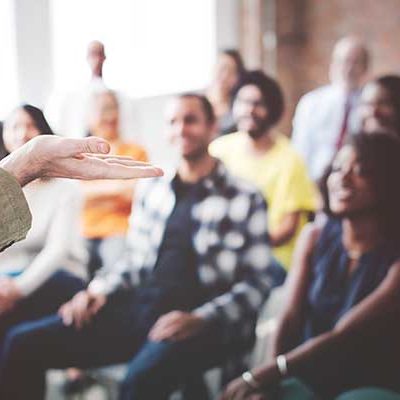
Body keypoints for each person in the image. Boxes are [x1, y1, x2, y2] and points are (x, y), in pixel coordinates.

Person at [0, 93, 285, 400]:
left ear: (212, 125)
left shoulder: (244, 196)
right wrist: (98, 289)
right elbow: (135, 259)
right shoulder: (155, 188)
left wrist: (201, 318)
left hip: (204, 323)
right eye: (173, 122)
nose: (181, 129)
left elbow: (258, 281)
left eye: (191, 120)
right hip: (140, 309)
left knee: (137, 384)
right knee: (22, 344)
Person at [220, 133, 400, 399]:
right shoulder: (314, 237)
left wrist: (270, 372)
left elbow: (343, 334)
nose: (344, 179)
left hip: (369, 381)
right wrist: (270, 381)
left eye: (361, 171)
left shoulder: (394, 258)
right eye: (338, 168)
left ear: (388, 182)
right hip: (307, 372)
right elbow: (290, 316)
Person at [210, 70, 317, 270]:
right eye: (242, 102)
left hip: (272, 258)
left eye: (257, 104)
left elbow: (287, 229)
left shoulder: (290, 159)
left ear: (272, 109)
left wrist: (242, 248)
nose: (248, 110)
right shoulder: (218, 150)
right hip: (224, 251)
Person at [0, 104, 88, 344]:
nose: (23, 133)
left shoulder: (65, 186)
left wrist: (17, 289)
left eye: (31, 125)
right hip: (6, 282)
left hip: (60, 276)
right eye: (15, 126)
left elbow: (57, 250)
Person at [0, 132, 162, 253]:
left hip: (117, 231)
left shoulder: (134, 149)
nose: (22, 134)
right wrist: (27, 162)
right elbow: (84, 192)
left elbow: (132, 192)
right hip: (85, 232)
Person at [82, 89, 148, 276]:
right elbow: (76, 194)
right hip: (83, 231)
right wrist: (118, 186)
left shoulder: (136, 152)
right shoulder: (79, 155)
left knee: (115, 273)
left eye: (113, 109)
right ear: (89, 117)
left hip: (119, 229)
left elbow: (136, 192)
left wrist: (94, 188)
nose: (110, 116)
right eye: (103, 110)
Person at [292, 36, 370, 181]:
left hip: (355, 185)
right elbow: (300, 151)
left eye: (355, 62)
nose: (348, 68)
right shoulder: (311, 103)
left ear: (365, 67)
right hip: (314, 183)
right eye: (342, 61)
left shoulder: (370, 107)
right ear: (333, 64)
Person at [206, 49, 246, 135]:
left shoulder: (240, 109)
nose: (224, 76)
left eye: (231, 71)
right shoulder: (196, 103)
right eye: (221, 68)